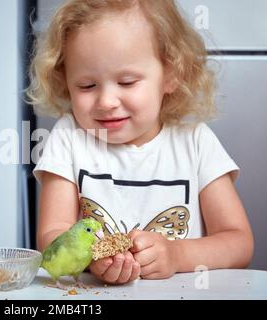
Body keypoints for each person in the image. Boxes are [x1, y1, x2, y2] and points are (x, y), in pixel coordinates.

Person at [27, 0, 254, 284]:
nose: (107, 102)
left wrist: (177, 254)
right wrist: (91, 258)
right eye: (87, 86)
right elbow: (51, 238)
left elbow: (239, 242)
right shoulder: (68, 138)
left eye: (127, 82)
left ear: (171, 74)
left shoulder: (196, 142)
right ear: (65, 79)